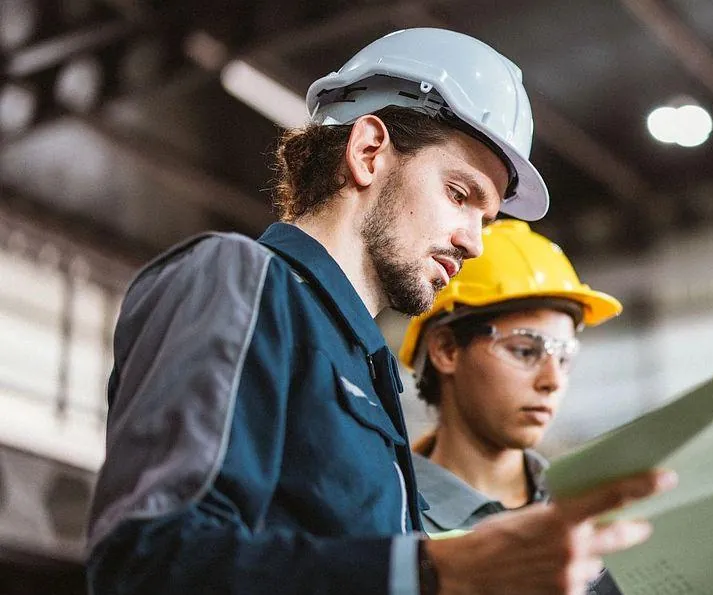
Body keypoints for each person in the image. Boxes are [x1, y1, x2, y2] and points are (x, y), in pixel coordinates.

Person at [84, 27, 673, 595]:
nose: (473, 241)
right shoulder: (239, 280)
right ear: (369, 152)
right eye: (460, 194)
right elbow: (150, 562)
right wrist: (438, 572)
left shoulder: (366, 365)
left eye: (487, 219)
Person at [397, 219, 624, 593]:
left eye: (564, 358)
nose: (552, 380)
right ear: (446, 349)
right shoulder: (386, 517)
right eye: (525, 350)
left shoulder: (591, 513)